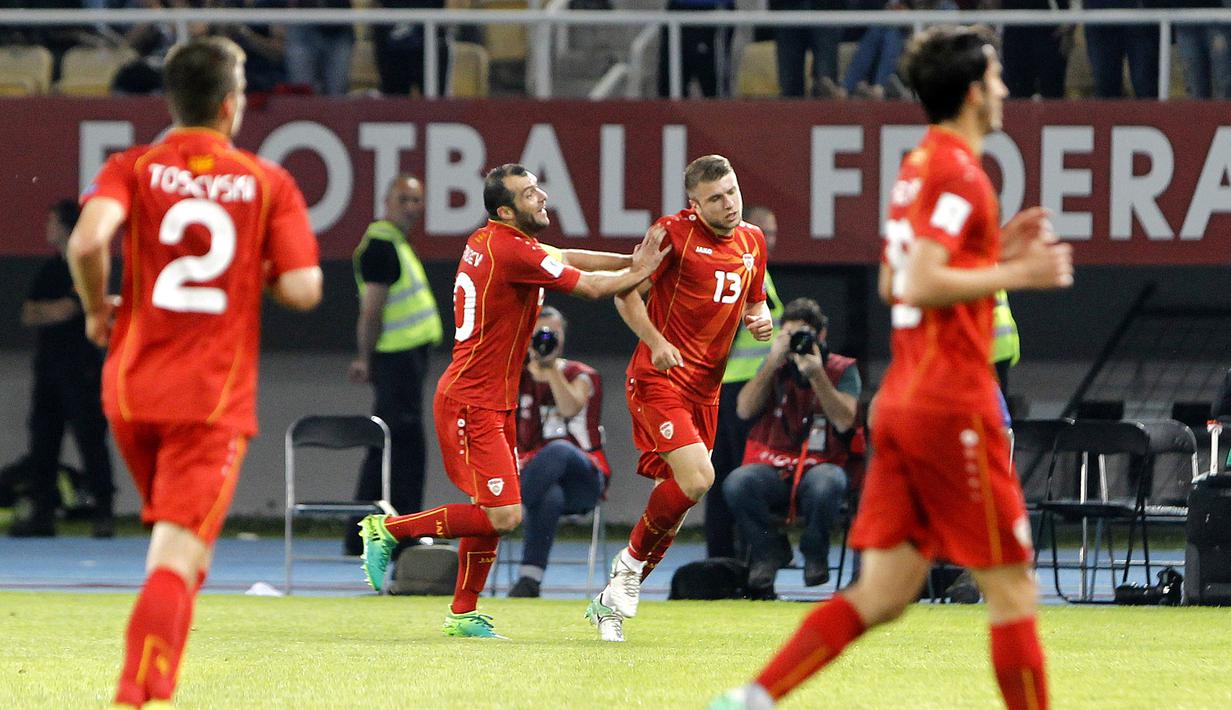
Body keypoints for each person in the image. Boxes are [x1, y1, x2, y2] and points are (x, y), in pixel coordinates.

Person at [711, 25, 1073, 709]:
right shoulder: (960, 171)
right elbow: (915, 283)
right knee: (1012, 586)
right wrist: (1016, 269)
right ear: (973, 92)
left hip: (905, 400)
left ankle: (752, 699)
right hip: (950, 401)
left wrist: (989, 249)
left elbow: (889, 281)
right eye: (995, 78)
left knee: (884, 591)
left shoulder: (918, 166)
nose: (1004, 89)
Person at [67, 37, 322, 707]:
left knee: (185, 554)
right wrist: (255, 269)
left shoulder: (134, 165)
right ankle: (132, 696)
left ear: (171, 100)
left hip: (128, 391)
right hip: (207, 401)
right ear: (233, 106)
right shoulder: (269, 183)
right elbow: (302, 290)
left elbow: (88, 239)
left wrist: (98, 309)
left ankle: (158, 687)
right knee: (177, 559)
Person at [357, 163, 669, 639]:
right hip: (471, 402)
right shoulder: (509, 249)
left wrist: (628, 261)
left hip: (487, 400)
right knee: (503, 514)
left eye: (537, 188)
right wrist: (641, 269)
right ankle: (388, 530)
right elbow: (588, 286)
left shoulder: (500, 241)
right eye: (528, 194)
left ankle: (462, 613)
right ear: (505, 210)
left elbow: (564, 254)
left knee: (490, 508)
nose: (541, 196)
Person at [587, 154, 773, 643]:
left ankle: (612, 605)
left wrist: (760, 318)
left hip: (705, 394)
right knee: (698, 477)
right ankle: (627, 567)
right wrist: (655, 341)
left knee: (672, 509)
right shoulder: (672, 234)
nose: (729, 204)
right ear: (695, 203)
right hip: (658, 379)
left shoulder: (753, 239)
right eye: (716, 198)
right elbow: (626, 293)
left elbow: (753, 298)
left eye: (731, 191)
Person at [723, 297, 861, 597]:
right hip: (775, 468)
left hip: (822, 466)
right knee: (738, 482)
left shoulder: (842, 369)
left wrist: (817, 375)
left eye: (803, 336)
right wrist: (772, 362)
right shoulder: (775, 367)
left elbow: (844, 420)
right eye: (788, 335)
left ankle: (814, 552)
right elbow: (744, 410)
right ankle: (768, 548)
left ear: (820, 336)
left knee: (828, 482)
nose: (795, 343)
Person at [344, 173, 442, 556]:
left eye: (417, 200)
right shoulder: (382, 246)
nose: (411, 207)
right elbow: (371, 311)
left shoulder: (396, 244)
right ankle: (402, 535)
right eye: (403, 199)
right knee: (403, 448)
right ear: (386, 201)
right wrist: (364, 358)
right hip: (395, 360)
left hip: (405, 361)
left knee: (384, 445)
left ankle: (361, 536)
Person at [11, 199, 115, 539]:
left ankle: (103, 510)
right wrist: (49, 310)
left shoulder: (84, 263)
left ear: (67, 226)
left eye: (52, 222)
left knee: (90, 438)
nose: (47, 228)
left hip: (81, 367)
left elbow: (68, 309)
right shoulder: (50, 269)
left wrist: (51, 310)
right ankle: (42, 512)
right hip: (49, 368)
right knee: (43, 440)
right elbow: (29, 313)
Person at [508, 306, 611, 598]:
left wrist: (550, 368)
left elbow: (569, 407)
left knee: (559, 450)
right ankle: (529, 580)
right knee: (549, 495)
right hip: (535, 475)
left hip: (583, 477)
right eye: (540, 333)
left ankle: (506, 512)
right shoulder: (513, 378)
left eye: (554, 333)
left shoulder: (581, 375)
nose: (547, 338)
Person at [707, 204, 782, 559]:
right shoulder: (744, 268)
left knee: (726, 476)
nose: (770, 239)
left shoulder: (759, 271)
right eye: (765, 231)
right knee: (736, 479)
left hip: (740, 390)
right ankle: (736, 562)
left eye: (774, 232)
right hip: (738, 392)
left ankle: (725, 559)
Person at [770, 0, 846, 98]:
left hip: (826, 11)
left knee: (825, 84)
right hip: (786, 11)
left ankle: (827, 112)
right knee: (789, 86)